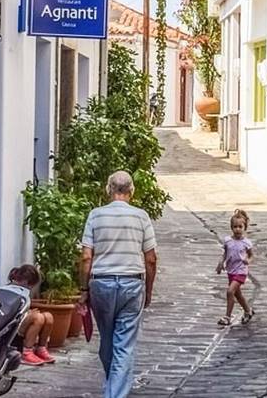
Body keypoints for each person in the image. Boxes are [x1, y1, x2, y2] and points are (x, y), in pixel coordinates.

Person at [79, 171, 158, 398]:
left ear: (108, 190)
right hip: (132, 284)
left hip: (101, 284)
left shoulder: (96, 215)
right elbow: (151, 258)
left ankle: (113, 386)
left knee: (107, 338)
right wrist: (148, 291)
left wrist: (84, 290)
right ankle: (115, 392)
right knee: (123, 344)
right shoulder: (141, 217)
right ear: (131, 191)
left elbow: (86, 257)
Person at [6, 265, 56, 366]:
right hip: (13, 328)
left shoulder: (25, 293)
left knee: (48, 316)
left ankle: (41, 348)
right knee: (37, 317)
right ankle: (26, 352)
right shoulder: (9, 291)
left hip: (21, 321)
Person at [215, 209, 254, 325]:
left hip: (241, 271)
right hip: (231, 271)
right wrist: (220, 263)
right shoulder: (228, 241)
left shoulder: (246, 243)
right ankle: (248, 310)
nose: (237, 229)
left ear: (244, 227)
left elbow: (252, 255)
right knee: (238, 294)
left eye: (240, 227)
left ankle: (227, 316)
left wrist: (248, 261)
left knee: (230, 291)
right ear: (231, 227)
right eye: (235, 227)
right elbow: (225, 254)